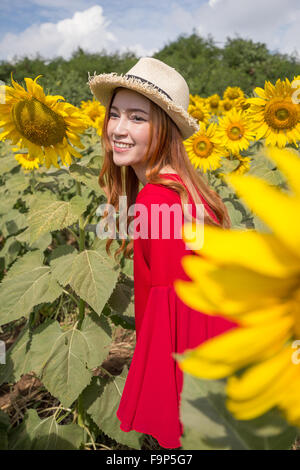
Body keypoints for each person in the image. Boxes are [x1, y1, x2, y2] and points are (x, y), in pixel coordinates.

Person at [88, 57, 239, 449]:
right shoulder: (184, 189)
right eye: (115, 114)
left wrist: (170, 417)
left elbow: (179, 317)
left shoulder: (157, 201)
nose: (118, 129)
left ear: (165, 130)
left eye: (138, 118)